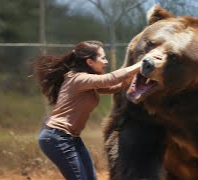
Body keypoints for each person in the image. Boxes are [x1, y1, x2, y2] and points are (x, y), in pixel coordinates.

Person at [34, 40, 142, 180]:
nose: (106, 61)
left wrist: (133, 79)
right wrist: (141, 64)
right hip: (57, 138)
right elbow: (110, 79)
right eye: (102, 58)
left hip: (70, 138)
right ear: (90, 62)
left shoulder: (87, 80)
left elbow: (112, 86)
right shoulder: (79, 78)